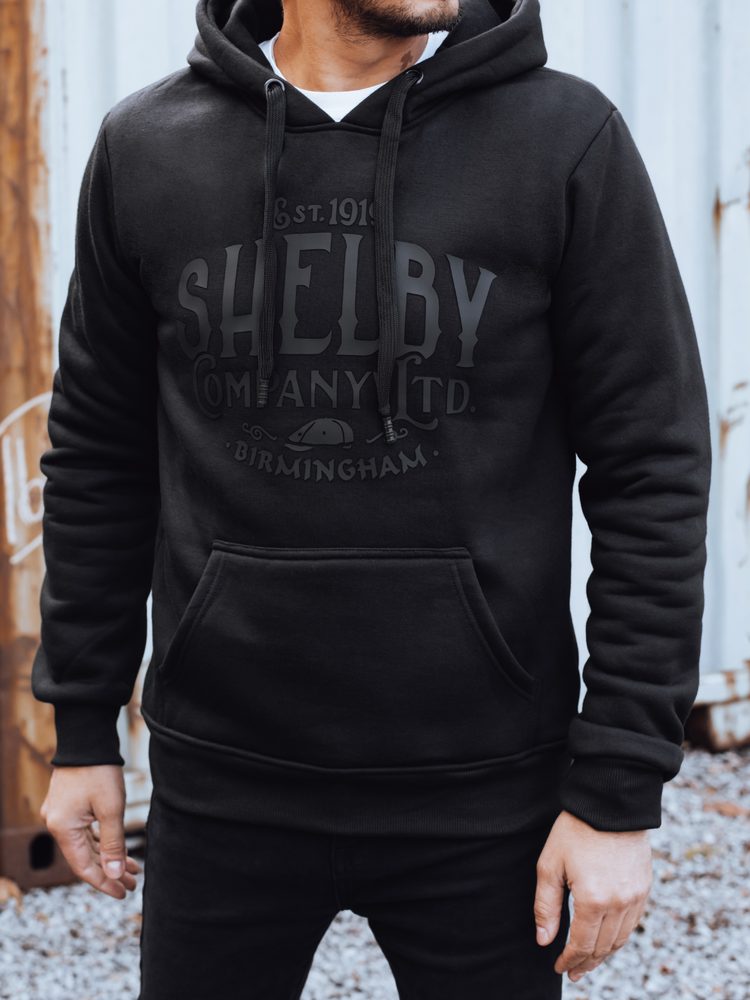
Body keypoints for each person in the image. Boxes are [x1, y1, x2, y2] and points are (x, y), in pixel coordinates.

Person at [31, 0, 712, 996]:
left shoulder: (565, 141)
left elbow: (652, 466)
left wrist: (616, 791)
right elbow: (99, 454)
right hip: (224, 787)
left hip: (484, 794)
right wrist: (83, 727)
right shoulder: (148, 148)